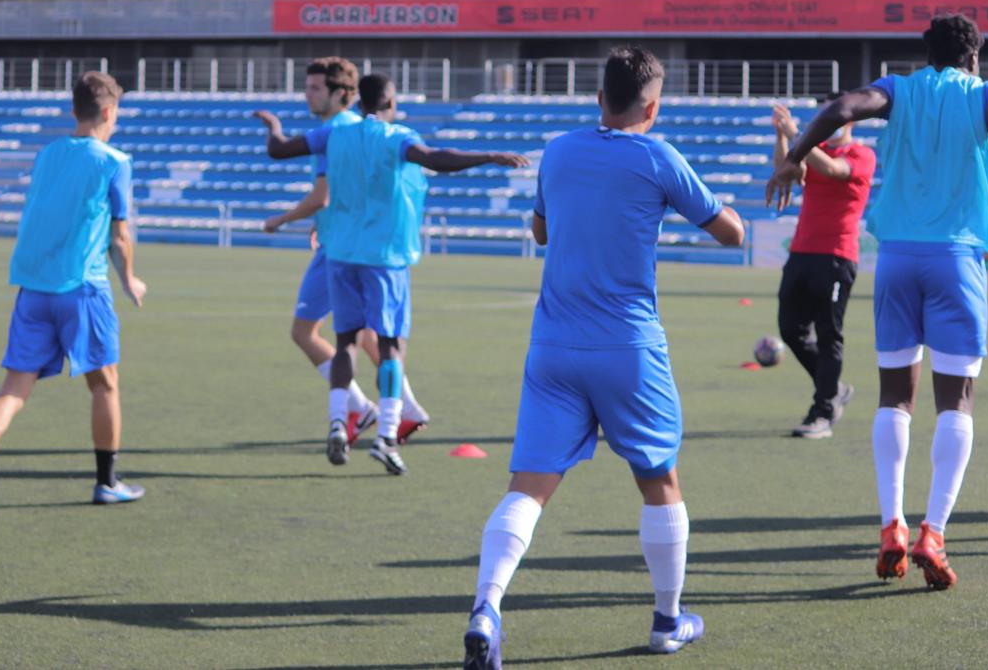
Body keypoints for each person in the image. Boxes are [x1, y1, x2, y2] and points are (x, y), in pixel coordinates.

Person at [767, 14, 988, 590]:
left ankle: (890, 526)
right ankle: (934, 532)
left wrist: (795, 154)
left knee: (895, 396)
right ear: (975, 57)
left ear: (928, 56)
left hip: (897, 257)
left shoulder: (900, 88)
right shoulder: (986, 94)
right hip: (957, 261)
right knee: (957, 401)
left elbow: (841, 109)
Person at [462, 47, 745, 668]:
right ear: (654, 106)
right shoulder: (659, 157)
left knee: (528, 488)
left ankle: (487, 606)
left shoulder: (559, 150)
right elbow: (732, 233)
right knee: (659, 481)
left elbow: (540, 230)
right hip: (627, 348)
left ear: (598, 99)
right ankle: (668, 622)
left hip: (553, 347)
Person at [257, 73, 528, 475]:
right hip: (384, 256)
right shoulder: (395, 137)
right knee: (389, 347)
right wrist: (487, 157)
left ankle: (337, 423)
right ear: (389, 102)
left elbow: (279, 150)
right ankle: (385, 437)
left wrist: (273, 127)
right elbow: (435, 158)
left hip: (342, 254)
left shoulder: (334, 135)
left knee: (345, 341)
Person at [0, 71, 149, 517]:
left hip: (33, 288)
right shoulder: (114, 160)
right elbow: (120, 235)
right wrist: (130, 279)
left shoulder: (47, 155)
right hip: (81, 287)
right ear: (107, 112)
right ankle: (107, 482)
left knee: (15, 387)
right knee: (104, 384)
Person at [260, 57, 429, 446]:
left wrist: (281, 219)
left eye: (315, 88)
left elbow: (325, 194)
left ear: (341, 94)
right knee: (369, 333)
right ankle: (405, 407)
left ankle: (361, 407)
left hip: (345, 249)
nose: (308, 95)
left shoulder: (338, 132)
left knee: (309, 332)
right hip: (350, 243)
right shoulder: (349, 128)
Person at [771, 95, 876, 439]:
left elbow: (834, 171)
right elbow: (787, 169)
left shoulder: (860, 154)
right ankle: (833, 389)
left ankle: (824, 410)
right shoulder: (813, 152)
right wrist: (783, 139)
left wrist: (799, 136)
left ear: (850, 122)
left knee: (829, 334)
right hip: (802, 252)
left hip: (836, 256)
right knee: (790, 329)